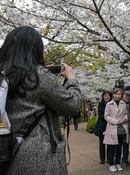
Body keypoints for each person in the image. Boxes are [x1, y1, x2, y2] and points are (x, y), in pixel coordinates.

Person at [0, 26, 82, 175]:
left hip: (8, 151)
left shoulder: (3, 75)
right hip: (39, 155)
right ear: (35, 49)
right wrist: (71, 79)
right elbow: (73, 105)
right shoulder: (38, 76)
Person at [103, 88, 128, 172]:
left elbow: (126, 115)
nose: (117, 96)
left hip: (121, 128)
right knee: (111, 147)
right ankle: (111, 164)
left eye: (119, 94)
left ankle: (117, 162)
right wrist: (116, 121)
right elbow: (106, 116)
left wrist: (123, 120)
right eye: (116, 94)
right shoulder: (109, 104)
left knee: (119, 146)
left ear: (121, 95)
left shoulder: (123, 103)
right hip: (112, 127)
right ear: (113, 95)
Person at [94, 91, 112, 164]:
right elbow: (101, 114)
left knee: (109, 143)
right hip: (102, 126)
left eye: (108, 96)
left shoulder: (111, 104)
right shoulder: (101, 104)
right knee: (102, 143)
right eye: (105, 96)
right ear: (103, 97)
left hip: (110, 125)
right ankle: (102, 158)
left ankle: (109, 158)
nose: (106, 97)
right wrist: (108, 117)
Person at [122, 86, 130, 165]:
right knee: (124, 143)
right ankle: (124, 159)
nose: (127, 97)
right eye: (126, 95)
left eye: (129, 95)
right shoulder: (120, 104)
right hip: (122, 127)